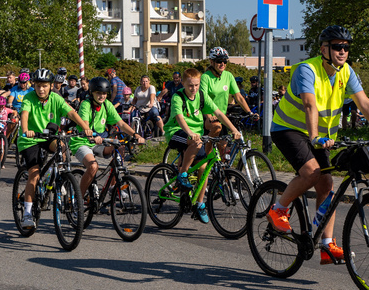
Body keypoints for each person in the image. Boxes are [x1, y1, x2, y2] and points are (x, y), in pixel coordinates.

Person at [267, 26, 369, 265]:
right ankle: (278, 208)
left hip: (320, 135)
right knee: (311, 173)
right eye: (337, 46)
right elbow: (309, 105)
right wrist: (315, 136)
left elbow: (365, 103)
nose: (343, 51)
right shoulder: (307, 70)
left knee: (327, 184)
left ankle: (327, 245)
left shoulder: (346, 72)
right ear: (324, 49)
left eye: (346, 47)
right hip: (289, 129)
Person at [15, 68, 92, 230]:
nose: (41, 89)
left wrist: (85, 127)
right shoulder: (29, 97)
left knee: (62, 146)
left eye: (44, 86)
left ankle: (60, 177)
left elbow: (71, 113)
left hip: (49, 136)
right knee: (34, 175)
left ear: (51, 86)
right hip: (30, 139)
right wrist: (25, 130)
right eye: (38, 86)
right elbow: (25, 115)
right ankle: (28, 214)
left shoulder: (56, 98)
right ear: (33, 86)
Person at [163, 68, 241, 224]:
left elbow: (218, 113)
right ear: (183, 84)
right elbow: (179, 118)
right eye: (190, 86)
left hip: (195, 135)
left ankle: (200, 204)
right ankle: (183, 174)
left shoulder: (201, 96)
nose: (194, 89)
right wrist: (190, 132)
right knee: (197, 142)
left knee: (204, 167)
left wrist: (233, 129)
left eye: (197, 85)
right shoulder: (178, 97)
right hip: (176, 132)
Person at [70, 76, 144, 198]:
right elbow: (85, 125)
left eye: (104, 93)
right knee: (93, 166)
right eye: (99, 93)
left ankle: (112, 187)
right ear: (92, 92)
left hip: (100, 141)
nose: (102, 96)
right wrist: (91, 135)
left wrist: (135, 135)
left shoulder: (107, 105)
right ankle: (79, 200)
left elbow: (121, 123)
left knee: (119, 149)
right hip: (82, 141)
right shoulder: (86, 105)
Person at [200, 47, 255, 160]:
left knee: (224, 149)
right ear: (212, 62)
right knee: (216, 128)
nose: (223, 64)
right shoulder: (206, 77)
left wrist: (250, 112)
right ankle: (204, 158)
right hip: (207, 116)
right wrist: (209, 116)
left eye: (225, 61)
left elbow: (239, 97)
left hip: (222, 116)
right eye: (219, 61)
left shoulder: (228, 76)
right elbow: (203, 99)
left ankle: (223, 175)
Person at [0, 95, 18, 167]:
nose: (1, 107)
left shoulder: (6, 110)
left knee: (2, 146)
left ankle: (1, 162)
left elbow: (14, 111)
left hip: (3, 128)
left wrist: (14, 116)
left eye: (2, 106)